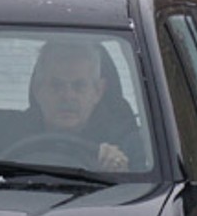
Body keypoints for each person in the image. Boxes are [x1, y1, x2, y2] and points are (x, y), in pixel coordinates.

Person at [27, 39, 133, 171]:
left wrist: (121, 173)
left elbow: (144, 182)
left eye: (79, 86)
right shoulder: (10, 135)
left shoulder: (128, 144)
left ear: (98, 91)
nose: (68, 96)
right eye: (56, 86)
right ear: (37, 90)